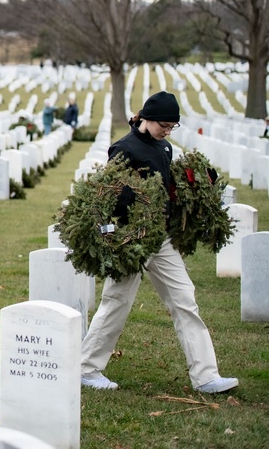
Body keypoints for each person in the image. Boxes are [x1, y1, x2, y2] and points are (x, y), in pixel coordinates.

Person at [80, 91, 238, 394]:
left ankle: (206, 376)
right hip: (133, 238)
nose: (167, 131)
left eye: (172, 127)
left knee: (184, 299)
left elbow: (168, 187)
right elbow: (112, 192)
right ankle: (86, 368)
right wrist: (129, 201)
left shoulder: (165, 148)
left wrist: (196, 181)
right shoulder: (123, 148)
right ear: (147, 119)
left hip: (161, 239)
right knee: (117, 302)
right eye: (164, 125)